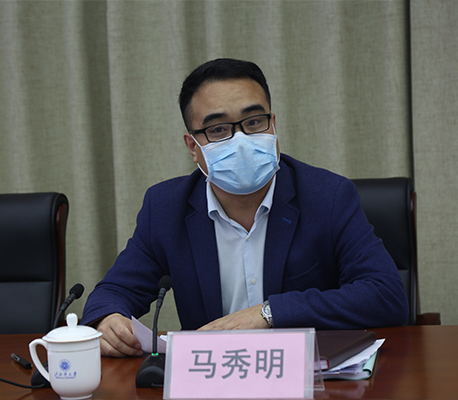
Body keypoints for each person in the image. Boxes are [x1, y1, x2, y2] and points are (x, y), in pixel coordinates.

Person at [82, 58, 408, 357]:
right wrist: (108, 319)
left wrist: (269, 313)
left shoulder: (327, 196)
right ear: (193, 147)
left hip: (304, 376)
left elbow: (386, 295)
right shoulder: (166, 208)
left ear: (273, 126)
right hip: (213, 377)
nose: (241, 140)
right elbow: (113, 292)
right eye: (218, 129)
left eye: (253, 122)